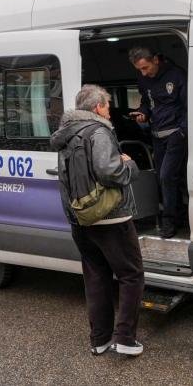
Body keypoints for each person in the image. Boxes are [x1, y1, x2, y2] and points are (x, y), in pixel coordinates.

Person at [51, 85, 145, 357]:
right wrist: (130, 165)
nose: (109, 111)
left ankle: (100, 339)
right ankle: (125, 338)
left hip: (79, 218)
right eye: (107, 106)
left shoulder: (67, 134)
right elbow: (109, 171)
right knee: (131, 275)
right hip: (110, 217)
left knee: (96, 277)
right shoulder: (99, 131)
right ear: (96, 108)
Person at [128, 47, 187, 239]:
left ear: (155, 60)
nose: (144, 73)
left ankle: (168, 223)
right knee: (164, 179)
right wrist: (142, 113)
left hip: (175, 134)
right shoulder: (143, 79)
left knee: (167, 177)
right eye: (140, 70)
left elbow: (188, 105)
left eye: (145, 68)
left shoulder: (176, 75)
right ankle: (179, 216)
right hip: (157, 135)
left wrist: (182, 132)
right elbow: (147, 103)